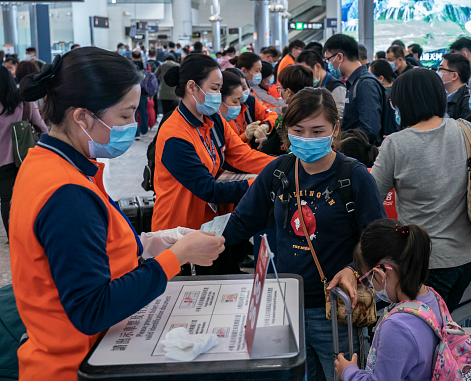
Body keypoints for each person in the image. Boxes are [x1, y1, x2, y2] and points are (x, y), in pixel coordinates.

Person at [10, 48, 225, 380]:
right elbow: (91, 309)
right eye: (125, 116)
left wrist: (150, 243)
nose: (134, 125)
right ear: (82, 117)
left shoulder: (52, 163)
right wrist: (176, 257)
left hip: (91, 352)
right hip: (74, 366)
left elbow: (88, 250)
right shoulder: (66, 193)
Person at [221, 87, 386, 381]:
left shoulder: (354, 176)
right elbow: (241, 222)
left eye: (317, 130)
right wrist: (192, 241)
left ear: (335, 129)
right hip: (285, 306)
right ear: (286, 130)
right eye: (298, 130)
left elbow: (376, 240)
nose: (307, 139)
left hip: (335, 311)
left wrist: (353, 268)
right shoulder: (278, 171)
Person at [371, 69, 471, 311]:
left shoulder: (395, 144)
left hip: (424, 263)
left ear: (404, 103)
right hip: (465, 261)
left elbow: (373, 200)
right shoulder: (466, 130)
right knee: (443, 329)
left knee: (421, 335)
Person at [152, 54, 274, 233]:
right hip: (178, 231)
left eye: (220, 89)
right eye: (215, 89)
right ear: (192, 87)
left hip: (209, 225)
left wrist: (281, 166)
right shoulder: (175, 135)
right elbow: (208, 190)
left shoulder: (213, 120)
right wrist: (263, 182)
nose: (218, 96)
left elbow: (243, 155)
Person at [335, 219, 438, 381]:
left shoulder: (397, 327)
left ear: (381, 274)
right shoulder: (432, 297)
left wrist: (348, 371)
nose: (370, 287)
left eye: (368, 281)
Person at [0, 66, 48, 238]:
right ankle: (29, 231)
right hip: (23, 156)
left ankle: (12, 236)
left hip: (1, 163)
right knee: (28, 194)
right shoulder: (24, 102)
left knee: (5, 199)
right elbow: (42, 127)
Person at [326, 34, 384, 144]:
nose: (329, 65)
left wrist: (341, 141)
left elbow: (369, 129)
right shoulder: (354, 82)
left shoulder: (365, 84)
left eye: (329, 59)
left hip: (361, 155)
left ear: (339, 57)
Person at [222, 68, 278, 144]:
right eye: (235, 101)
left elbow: (272, 115)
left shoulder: (250, 101)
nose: (242, 92)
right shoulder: (224, 114)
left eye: (244, 87)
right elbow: (230, 148)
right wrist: (245, 136)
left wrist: (265, 125)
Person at [297, 49, 347, 116]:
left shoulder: (336, 87)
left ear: (317, 67)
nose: (303, 76)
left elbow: (340, 115)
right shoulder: (314, 86)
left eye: (306, 73)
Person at [437, 53, 471, 120]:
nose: (438, 71)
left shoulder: (467, 102)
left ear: (454, 76)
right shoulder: (443, 96)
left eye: (441, 68)